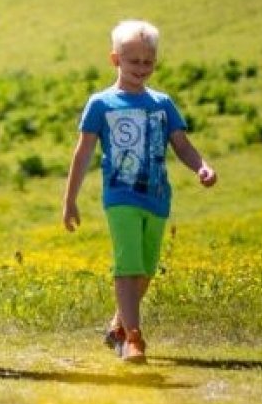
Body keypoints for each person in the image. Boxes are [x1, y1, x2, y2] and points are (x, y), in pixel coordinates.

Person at [61, 19, 218, 364]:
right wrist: (70, 199)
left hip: (158, 198)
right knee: (128, 265)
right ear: (115, 60)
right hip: (120, 197)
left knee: (145, 270)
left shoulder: (163, 104)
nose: (141, 68)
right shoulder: (101, 104)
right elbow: (83, 152)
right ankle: (133, 338)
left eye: (148, 62)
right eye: (133, 61)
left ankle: (118, 326)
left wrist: (202, 166)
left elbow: (182, 145)